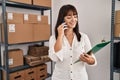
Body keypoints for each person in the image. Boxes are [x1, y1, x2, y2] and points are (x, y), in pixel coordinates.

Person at [48, 4, 97, 80]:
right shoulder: (53, 38)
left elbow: (93, 60)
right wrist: (60, 36)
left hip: (80, 77)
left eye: (75, 16)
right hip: (60, 77)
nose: (73, 19)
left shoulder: (83, 37)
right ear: (62, 19)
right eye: (69, 17)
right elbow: (54, 58)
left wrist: (89, 60)